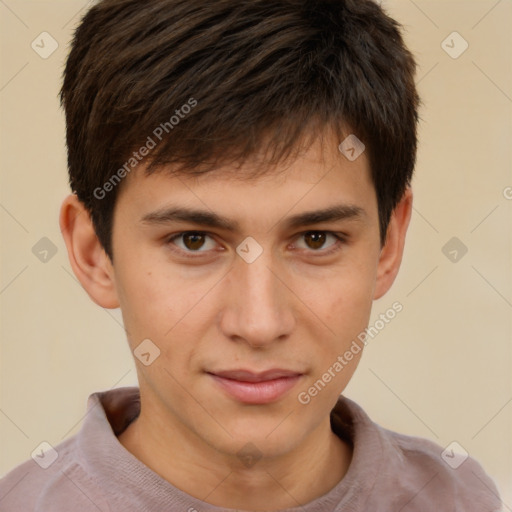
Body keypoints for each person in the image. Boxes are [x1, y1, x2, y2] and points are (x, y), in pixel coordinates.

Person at [0, 0, 502, 510]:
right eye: (193, 240)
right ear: (94, 254)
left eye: (316, 239)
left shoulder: (463, 499)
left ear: (387, 245)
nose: (259, 324)